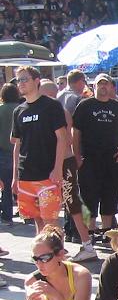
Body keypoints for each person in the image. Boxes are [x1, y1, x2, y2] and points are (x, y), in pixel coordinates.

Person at [39, 79, 96, 262]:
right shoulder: (48, 111)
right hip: (55, 163)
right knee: (54, 206)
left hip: (64, 163)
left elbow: (67, 140)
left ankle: (87, 244)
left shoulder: (58, 111)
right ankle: (57, 246)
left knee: (72, 204)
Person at [72, 73, 118, 240]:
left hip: (112, 158)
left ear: (111, 87)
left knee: (110, 195)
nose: (103, 87)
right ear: (94, 86)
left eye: (106, 84)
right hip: (89, 158)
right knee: (87, 197)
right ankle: (89, 232)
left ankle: (106, 232)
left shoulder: (117, 106)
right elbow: (75, 132)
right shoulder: (85, 105)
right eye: (100, 84)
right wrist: (77, 156)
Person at [10, 66, 68, 233]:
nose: (20, 83)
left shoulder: (51, 106)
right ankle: (41, 250)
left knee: (51, 220)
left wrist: (58, 168)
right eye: (18, 80)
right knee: (37, 219)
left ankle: (56, 249)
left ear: (36, 81)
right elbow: (17, 144)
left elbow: (62, 138)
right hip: (26, 175)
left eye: (24, 79)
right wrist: (15, 177)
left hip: (47, 174)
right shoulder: (18, 110)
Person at [0, 82, 20, 226]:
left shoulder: (1, 110)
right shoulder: (22, 109)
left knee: (6, 186)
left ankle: (7, 216)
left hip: (3, 152)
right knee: (24, 184)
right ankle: (28, 213)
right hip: (22, 151)